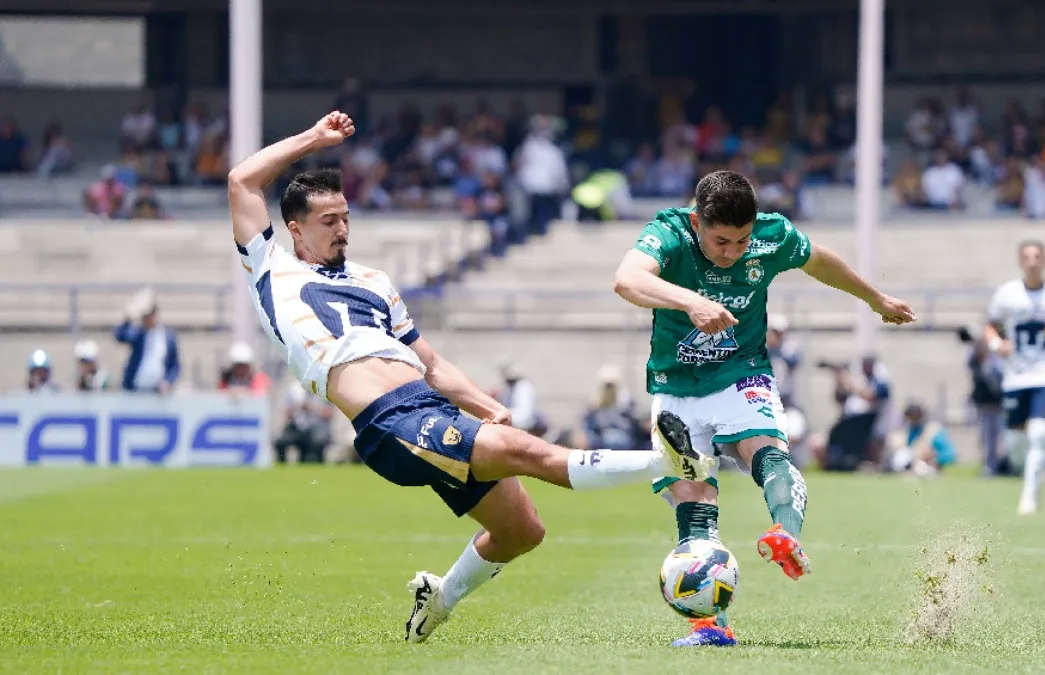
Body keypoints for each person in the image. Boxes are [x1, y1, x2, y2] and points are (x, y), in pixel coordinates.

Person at [226, 111, 715, 645]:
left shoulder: (374, 281)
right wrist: (315, 139)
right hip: (389, 424)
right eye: (328, 221)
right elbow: (242, 180)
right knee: (525, 451)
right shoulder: (270, 267)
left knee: (521, 531)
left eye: (345, 217)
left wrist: (483, 402)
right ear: (295, 228)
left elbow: (432, 364)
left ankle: (439, 599)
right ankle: (667, 462)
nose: (342, 229)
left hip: (428, 407)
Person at [612, 169, 916, 647]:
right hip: (675, 386)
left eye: (742, 241)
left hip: (742, 372)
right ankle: (711, 627)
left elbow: (820, 261)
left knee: (766, 452)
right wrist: (691, 302)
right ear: (697, 222)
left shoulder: (772, 235)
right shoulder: (669, 232)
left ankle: (785, 534)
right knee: (694, 504)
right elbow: (627, 280)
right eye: (721, 241)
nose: (732, 252)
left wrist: (875, 299)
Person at [983, 240, 1045, 515]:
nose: (1032, 262)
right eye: (1027, 257)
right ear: (1020, 262)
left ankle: (1029, 498)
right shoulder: (1007, 294)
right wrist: (997, 344)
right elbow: (990, 326)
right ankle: (1035, 473)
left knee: (1040, 433)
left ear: (1044, 260)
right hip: (1016, 376)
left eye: (1037, 257)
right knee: (1015, 445)